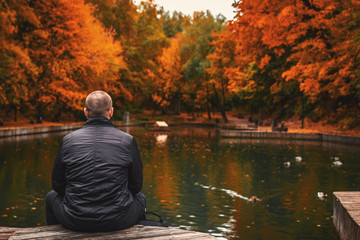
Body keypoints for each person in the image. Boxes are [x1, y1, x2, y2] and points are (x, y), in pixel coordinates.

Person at [46, 90, 146, 232]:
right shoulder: (127, 141)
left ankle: (53, 235)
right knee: (140, 198)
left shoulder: (68, 140)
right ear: (111, 112)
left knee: (51, 197)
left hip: (75, 219)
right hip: (117, 220)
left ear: (85, 112)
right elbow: (136, 186)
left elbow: (57, 185)